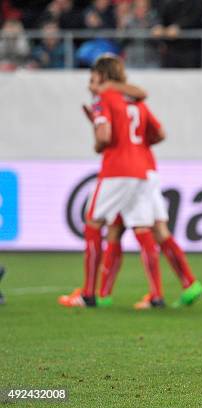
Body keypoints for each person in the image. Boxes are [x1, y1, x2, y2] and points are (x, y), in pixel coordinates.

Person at [58, 55, 163, 308]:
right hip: (141, 172)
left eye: (93, 80)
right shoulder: (132, 100)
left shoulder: (102, 99)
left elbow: (104, 136)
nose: (90, 86)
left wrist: (96, 140)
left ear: (103, 78)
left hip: (116, 170)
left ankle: (88, 294)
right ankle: (156, 295)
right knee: (142, 230)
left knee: (93, 224)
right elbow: (156, 129)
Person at [92, 97, 202, 309]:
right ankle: (189, 283)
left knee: (131, 229)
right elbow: (160, 133)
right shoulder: (139, 104)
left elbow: (106, 137)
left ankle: (150, 296)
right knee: (156, 230)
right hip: (148, 168)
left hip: (127, 172)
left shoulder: (111, 105)